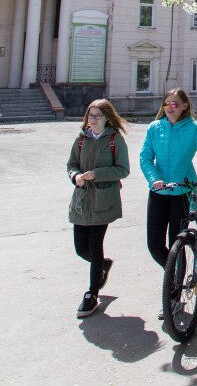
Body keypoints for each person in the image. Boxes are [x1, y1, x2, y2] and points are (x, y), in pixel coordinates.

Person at [140, 89, 197, 318]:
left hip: (182, 191)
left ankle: (174, 298)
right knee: (154, 245)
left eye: (175, 104)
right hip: (159, 192)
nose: (171, 107)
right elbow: (144, 158)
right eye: (167, 103)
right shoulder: (155, 128)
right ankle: (174, 272)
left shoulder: (193, 128)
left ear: (184, 106)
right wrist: (154, 179)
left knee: (176, 244)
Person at [67, 99, 131, 318]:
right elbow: (71, 165)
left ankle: (92, 294)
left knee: (94, 246)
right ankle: (103, 264)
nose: (93, 120)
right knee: (80, 249)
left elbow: (123, 170)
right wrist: (75, 177)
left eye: (97, 116)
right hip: (82, 200)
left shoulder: (115, 140)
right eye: (90, 115)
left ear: (107, 118)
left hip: (104, 200)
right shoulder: (81, 139)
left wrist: (97, 174)